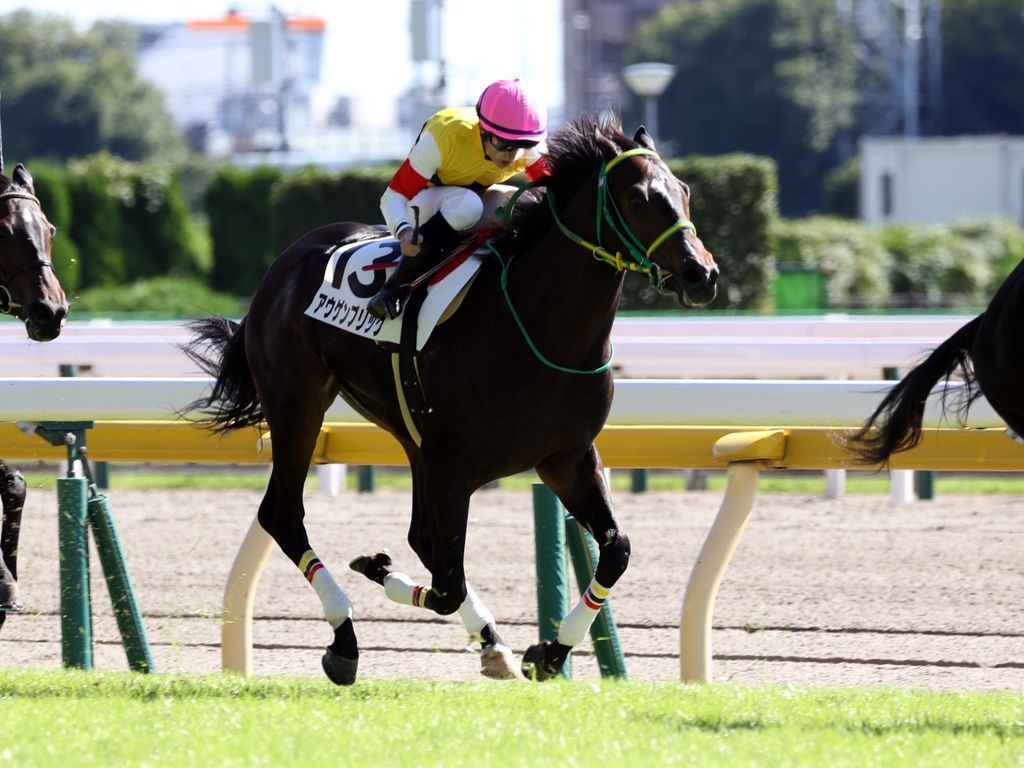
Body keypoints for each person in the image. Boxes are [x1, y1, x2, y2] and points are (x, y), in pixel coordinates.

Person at [368, 78, 550, 320]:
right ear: (482, 130)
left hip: (470, 203)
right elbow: (393, 196)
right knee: (467, 204)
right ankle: (395, 287)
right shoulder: (444, 138)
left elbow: (557, 191)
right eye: (503, 143)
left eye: (522, 145)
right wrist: (403, 231)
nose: (511, 155)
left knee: (527, 203)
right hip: (423, 208)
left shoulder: (530, 148)